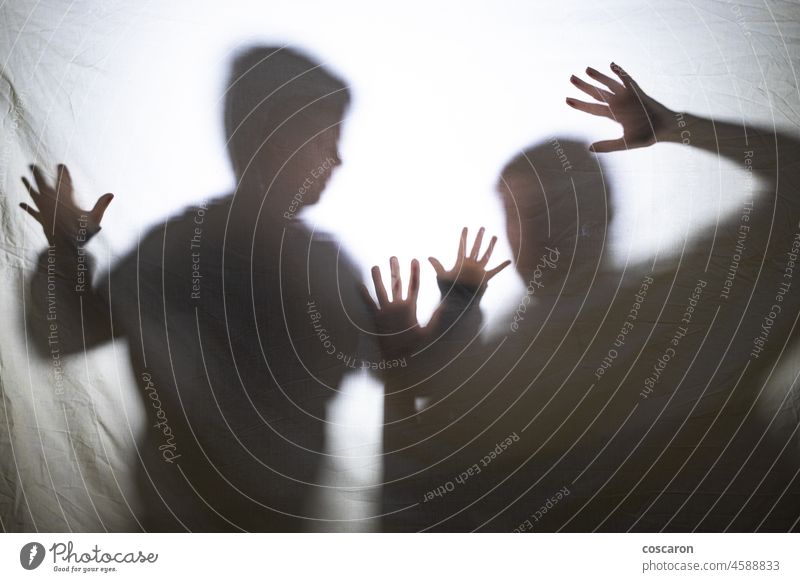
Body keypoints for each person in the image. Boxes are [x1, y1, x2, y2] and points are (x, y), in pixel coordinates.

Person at [374, 63, 800, 532]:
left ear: (605, 206)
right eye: (517, 213)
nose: (535, 230)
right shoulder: (499, 361)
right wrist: (402, 379)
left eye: (553, 207)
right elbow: (422, 506)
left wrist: (678, 128)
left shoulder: (691, 299)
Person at [20, 46, 376, 531]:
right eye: (325, 136)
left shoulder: (315, 261)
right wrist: (64, 247)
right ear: (273, 136)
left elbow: (390, 359)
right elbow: (61, 335)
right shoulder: (185, 250)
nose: (338, 157)